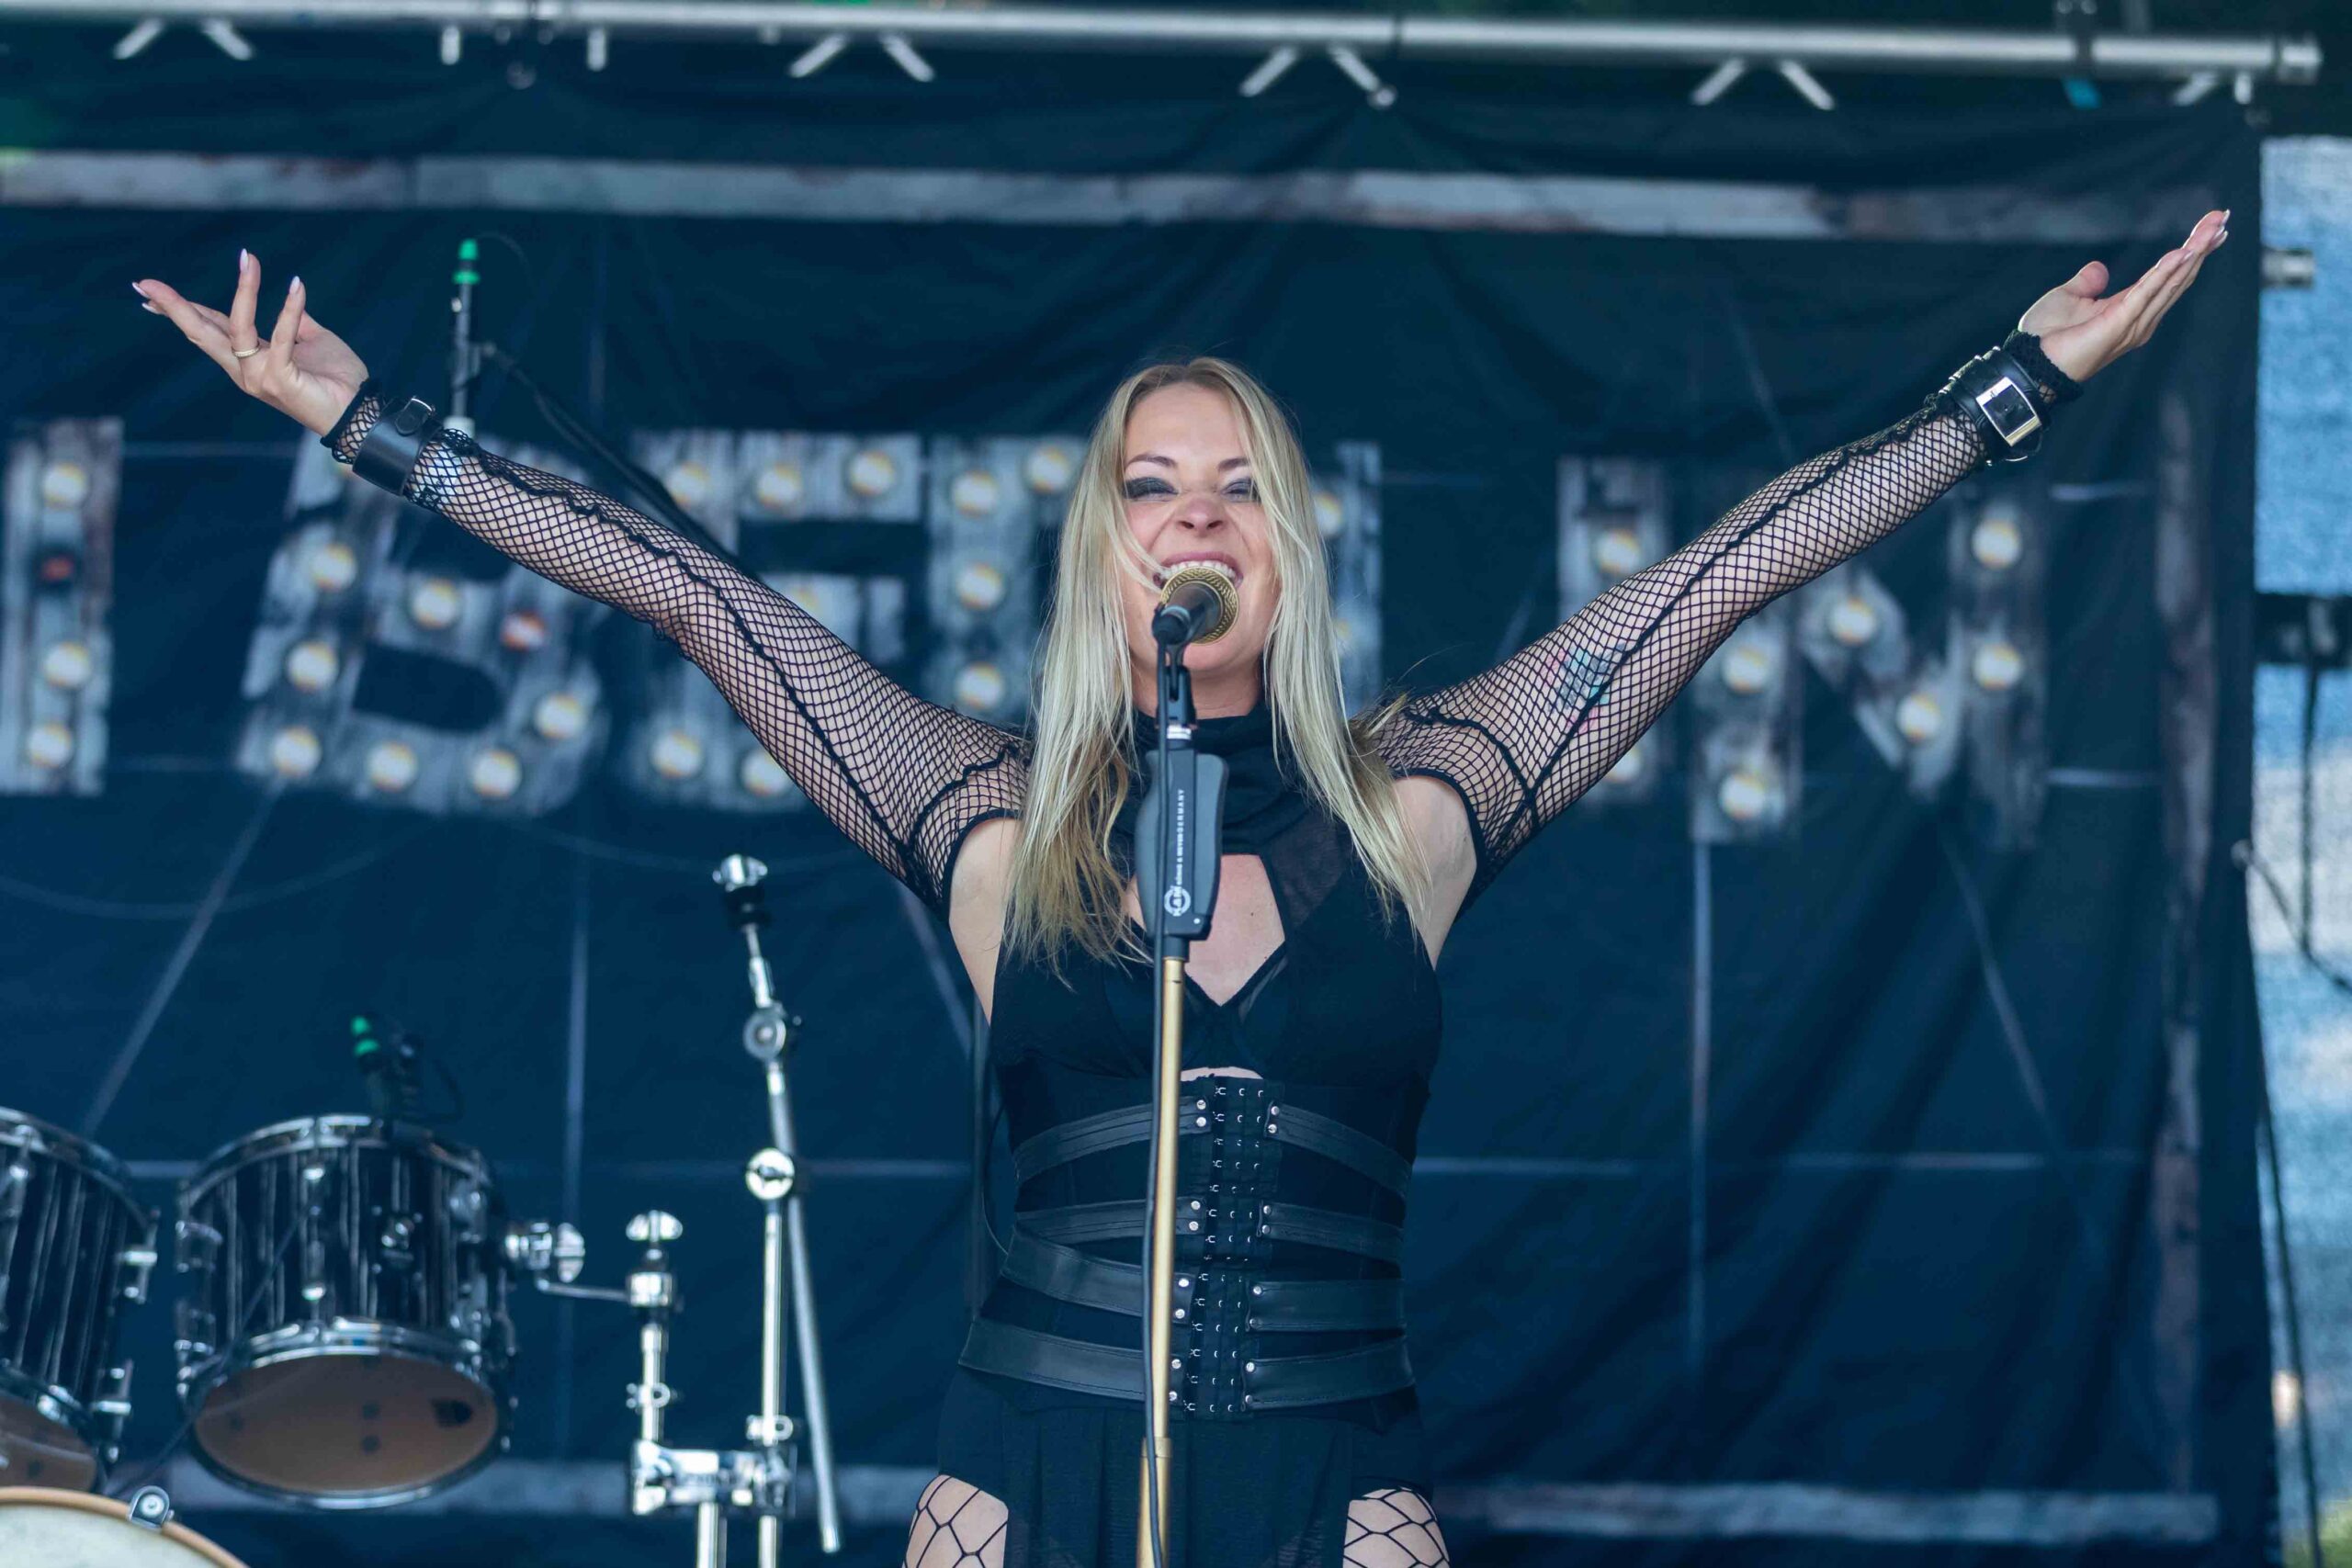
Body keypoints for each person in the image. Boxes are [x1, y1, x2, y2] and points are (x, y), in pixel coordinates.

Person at [138, 207, 2226, 1568]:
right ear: (1105, 548)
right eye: (1150, 486)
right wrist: (370, 425)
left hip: (1334, 1475)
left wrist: (2009, 387)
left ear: (1284, 548)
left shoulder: (1422, 802)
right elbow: (691, 594)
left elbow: (1710, 586)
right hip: (1023, 1467)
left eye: (1234, 487)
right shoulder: (981, 813)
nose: (1191, 517)